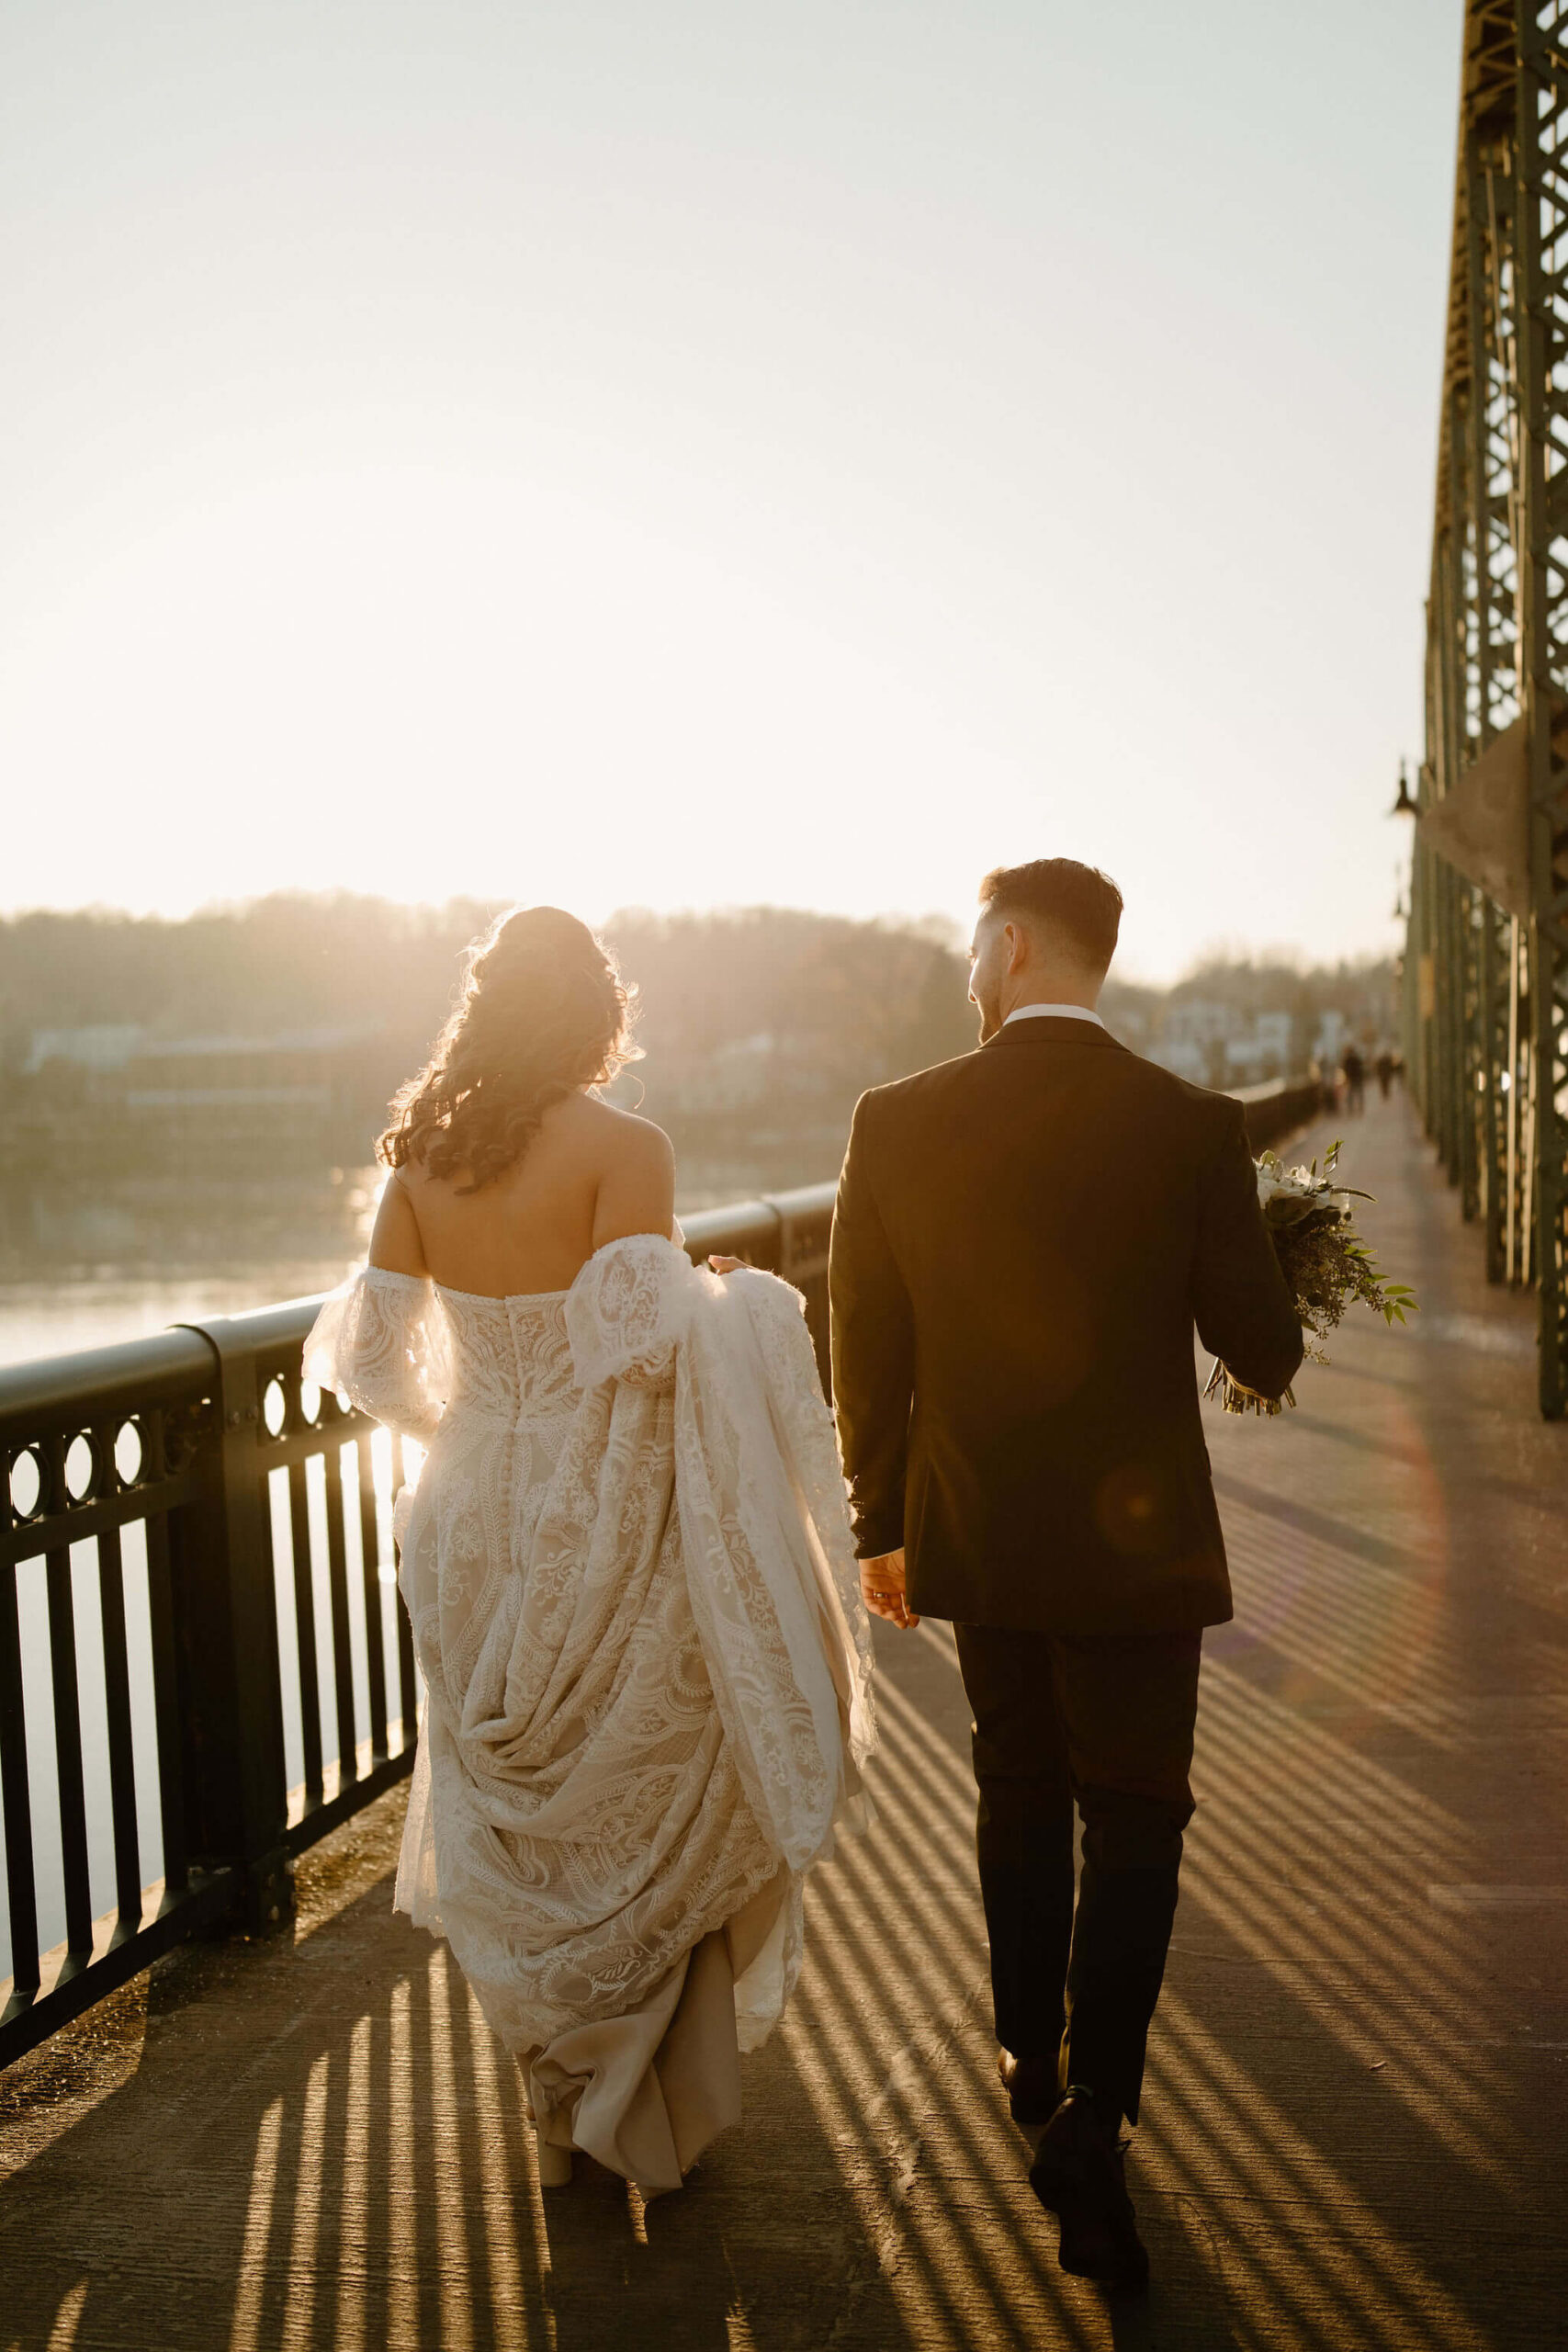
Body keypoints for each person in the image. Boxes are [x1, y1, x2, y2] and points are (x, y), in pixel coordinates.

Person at [305, 906, 873, 2198]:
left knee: (504, 1800)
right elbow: (638, 1353)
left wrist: (464, 1424)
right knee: (634, 1770)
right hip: (595, 1492)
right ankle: (636, 2084)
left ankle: (552, 2090)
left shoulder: (418, 1163)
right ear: (596, 1015)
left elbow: (376, 1359)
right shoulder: (629, 1147)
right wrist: (720, 1301)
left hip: (465, 1501)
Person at [829, 857, 1302, 2289]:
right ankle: (1096, 2112)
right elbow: (1262, 1352)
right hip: (1137, 1548)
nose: (968, 974)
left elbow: (864, 1341)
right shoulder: (1188, 1126)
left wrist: (879, 1526)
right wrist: (1271, 1257)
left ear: (1015, 946)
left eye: (976, 948)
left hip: (981, 1536)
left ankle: (1025, 2052)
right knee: (1138, 1816)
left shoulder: (896, 1122)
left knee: (1018, 1788)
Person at [1341, 1043, 1366, 1114]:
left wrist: (1346, 1078)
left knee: (1350, 1094)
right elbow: (1361, 1068)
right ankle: (1360, 1108)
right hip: (1358, 1078)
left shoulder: (1347, 1059)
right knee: (1359, 1094)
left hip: (1351, 1079)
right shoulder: (1357, 1057)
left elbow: (1345, 1069)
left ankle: (1350, 1109)